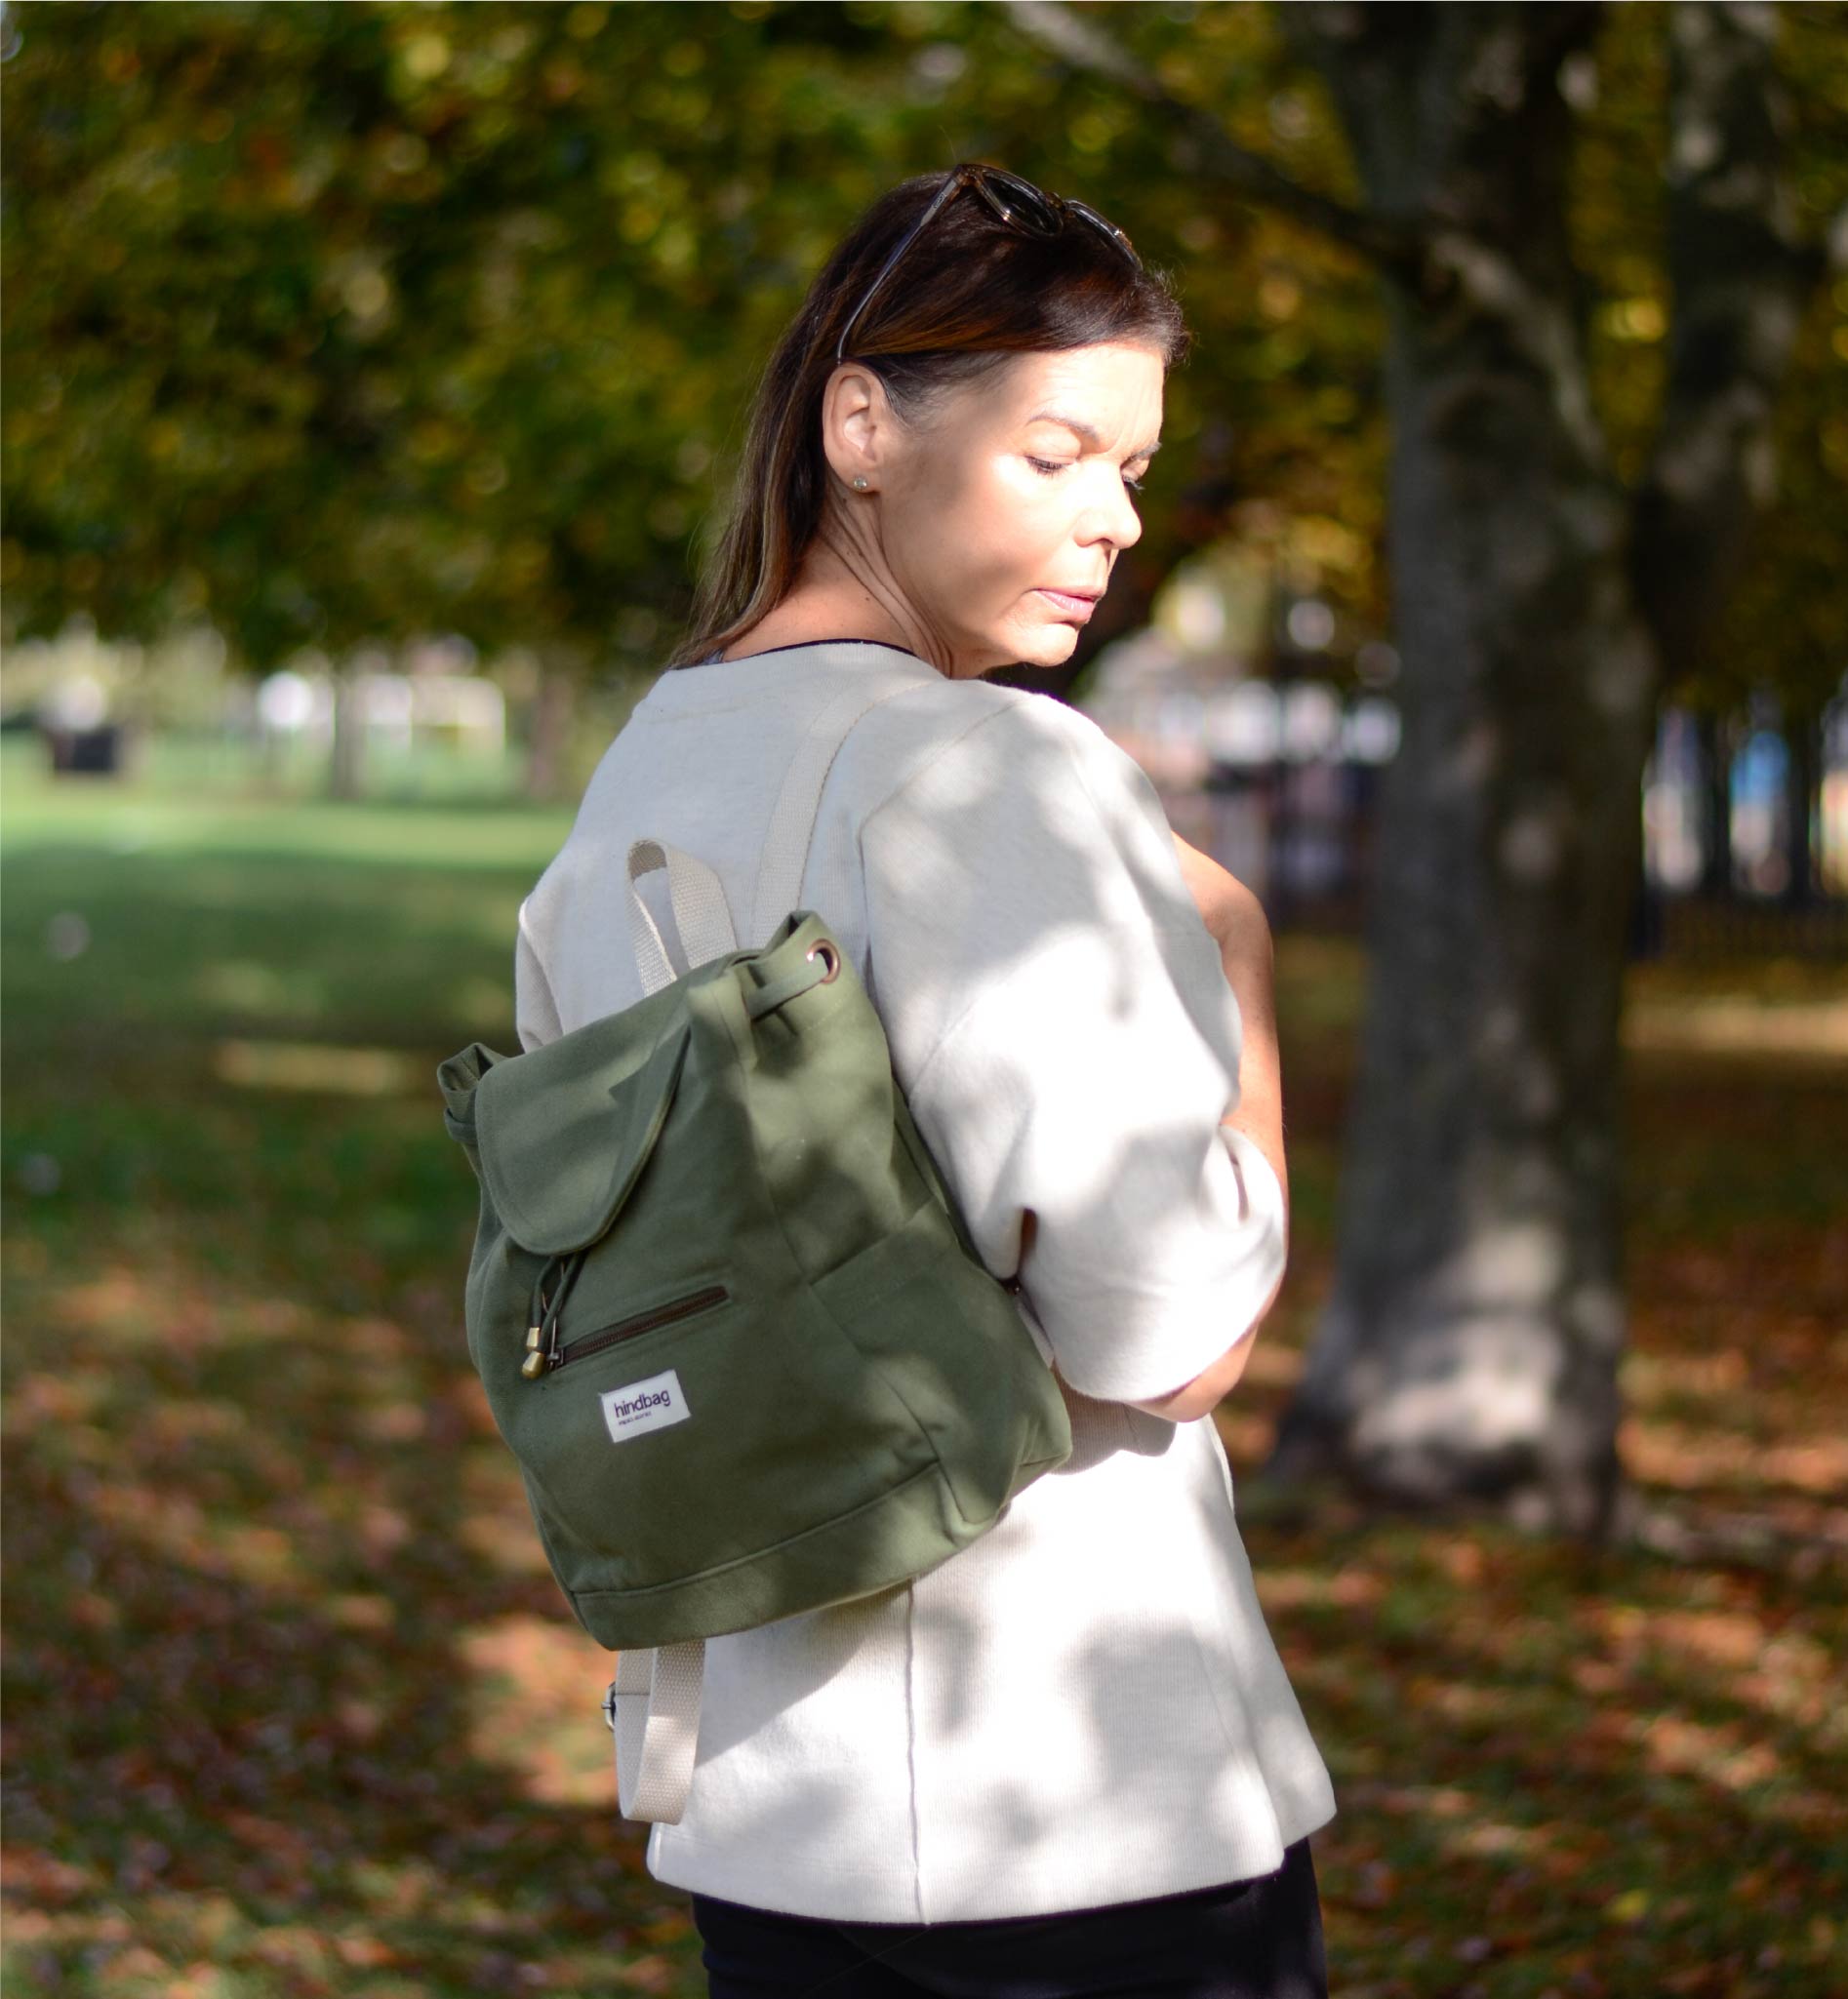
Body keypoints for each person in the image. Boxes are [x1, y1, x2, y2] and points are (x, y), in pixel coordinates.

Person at [512, 161, 1337, 1998]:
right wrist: (1240, 964)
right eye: (1059, 452)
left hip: (766, 1799)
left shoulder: (641, 775)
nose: (1117, 516)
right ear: (862, 425)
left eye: (1133, 465)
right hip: (1066, 1803)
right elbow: (1169, 1334)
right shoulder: (987, 772)